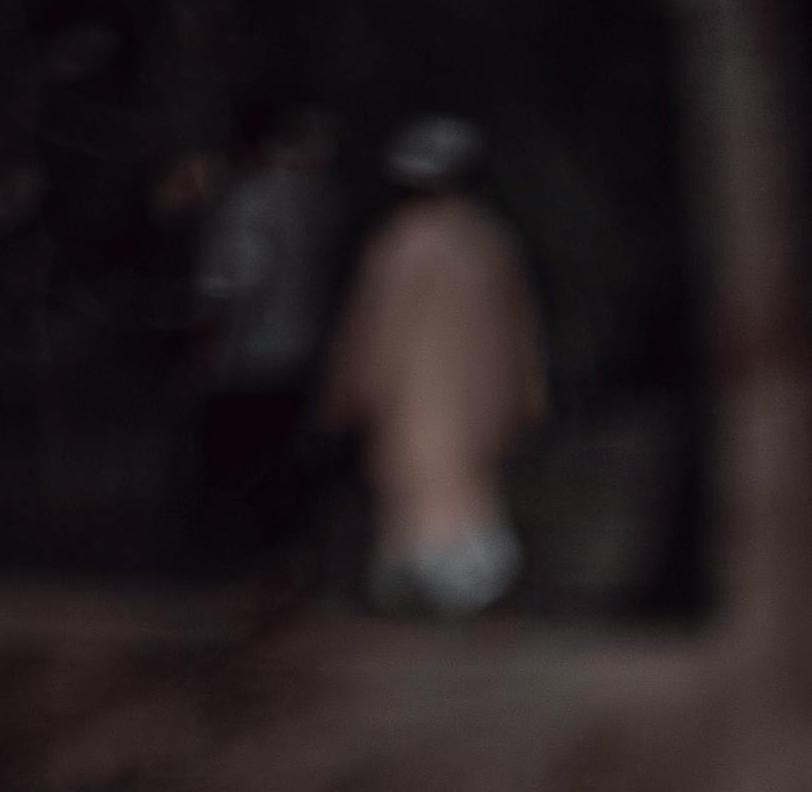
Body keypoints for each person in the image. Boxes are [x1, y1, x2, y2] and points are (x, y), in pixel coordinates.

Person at [321, 116, 546, 614]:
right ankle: (444, 584)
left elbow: (373, 327)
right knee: (450, 488)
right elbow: (522, 328)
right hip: (464, 395)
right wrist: (525, 391)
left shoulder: (404, 244)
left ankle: (443, 585)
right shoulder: (489, 239)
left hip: (420, 394)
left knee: (431, 487)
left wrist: (351, 387)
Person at [186, 96, 337, 573]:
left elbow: (232, 283)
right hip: (267, 357)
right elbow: (235, 282)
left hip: (267, 359)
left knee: (256, 467)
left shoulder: (274, 198)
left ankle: (254, 559)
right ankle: (255, 559)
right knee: (262, 466)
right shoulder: (279, 199)